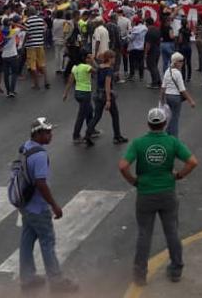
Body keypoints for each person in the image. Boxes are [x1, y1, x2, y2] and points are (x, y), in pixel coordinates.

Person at [118, 108, 198, 286]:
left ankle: (140, 274)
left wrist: (134, 181)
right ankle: (176, 269)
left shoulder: (139, 143)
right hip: (167, 193)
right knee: (172, 232)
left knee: (144, 234)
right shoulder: (171, 142)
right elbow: (193, 162)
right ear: (164, 123)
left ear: (148, 124)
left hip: (145, 194)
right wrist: (178, 176)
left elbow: (123, 166)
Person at [18, 117, 80, 294]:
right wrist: (54, 205)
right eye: (47, 132)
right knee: (47, 241)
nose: (51, 135)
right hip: (38, 206)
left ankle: (27, 278)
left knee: (27, 240)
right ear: (37, 134)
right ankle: (57, 281)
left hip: (25, 204)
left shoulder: (25, 147)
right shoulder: (39, 155)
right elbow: (41, 183)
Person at [94, 50, 128, 145]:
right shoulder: (109, 69)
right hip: (106, 95)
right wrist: (108, 99)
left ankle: (88, 133)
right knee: (115, 116)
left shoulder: (100, 67)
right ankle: (117, 136)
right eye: (113, 58)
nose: (114, 60)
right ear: (109, 59)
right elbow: (107, 84)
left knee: (97, 116)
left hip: (99, 94)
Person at [160, 52, 197, 137]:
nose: (182, 63)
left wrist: (161, 99)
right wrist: (191, 101)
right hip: (176, 97)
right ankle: (174, 138)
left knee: (169, 117)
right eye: (181, 61)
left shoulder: (167, 71)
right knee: (175, 119)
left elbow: (163, 87)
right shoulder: (177, 73)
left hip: (167, 96)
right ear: (176, 62)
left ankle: (166, 135)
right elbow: (182, 90)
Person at [65, 50, 97, 146]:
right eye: (87, 57)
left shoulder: (75, 67)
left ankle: (91, 129)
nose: (88, 59)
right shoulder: (87, 67)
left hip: (78, 93)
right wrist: (93, 61)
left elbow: (70, 81)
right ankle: (76, 135)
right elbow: (98, 71)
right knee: (81, 115)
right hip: (85, 93)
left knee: (90, 110)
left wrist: (66, 93)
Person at [24, 8, 50, 90]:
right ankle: (46, 82)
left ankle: (36, 84)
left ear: (29, 13)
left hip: (31, 45)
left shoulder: (28, 21)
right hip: (40, 44)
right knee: (42, 63)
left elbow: (26, 33)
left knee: (33, 65)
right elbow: (45, 29)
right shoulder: (40, 20)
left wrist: (23, 44)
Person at [0, 18, 23, 97]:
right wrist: (14, 24)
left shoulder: (1, 33)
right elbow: (24, 27)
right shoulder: (14, 31)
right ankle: (12, 91)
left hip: (4, 55)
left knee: (6, 74)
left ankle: (8, 91)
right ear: (10, 24)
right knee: (14, 73)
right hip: (13, 54)